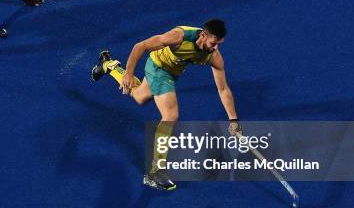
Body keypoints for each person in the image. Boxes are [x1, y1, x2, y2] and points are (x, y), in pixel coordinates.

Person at [91, 19, 242, 190]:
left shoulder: (214, 56)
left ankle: (108, 65)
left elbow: (223, 89)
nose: (215, 48)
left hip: (171, 73)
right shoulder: (178, 36)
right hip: (158, 68)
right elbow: (140, 46)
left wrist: (233, 120)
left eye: (219, 44)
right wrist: (129, 73)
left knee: (139, 97)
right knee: (171, 115)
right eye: (213, 43)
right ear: (202, 35)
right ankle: (156, 171)